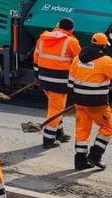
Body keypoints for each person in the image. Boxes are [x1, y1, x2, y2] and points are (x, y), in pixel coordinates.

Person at [67, 32, 112, 171]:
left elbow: (70, 80)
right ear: (104, 46)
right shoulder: (104, 60)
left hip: (79, 101)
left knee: (82, 130)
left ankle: (80, 161)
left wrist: (73, 95)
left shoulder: (78, 58)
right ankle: (95, 157)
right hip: (96, 103)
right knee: (107, 128)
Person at [28, 17, 81, 149]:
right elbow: (79, 62)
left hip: (45, 79)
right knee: (56, 109)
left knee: (56, 106)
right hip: (61, 81)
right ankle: (48, 140)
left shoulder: (43, 38)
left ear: (58, 26)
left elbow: (36, 59)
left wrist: (37, 76)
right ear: (71, 29)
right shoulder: (71, 41)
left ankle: (59, 133)